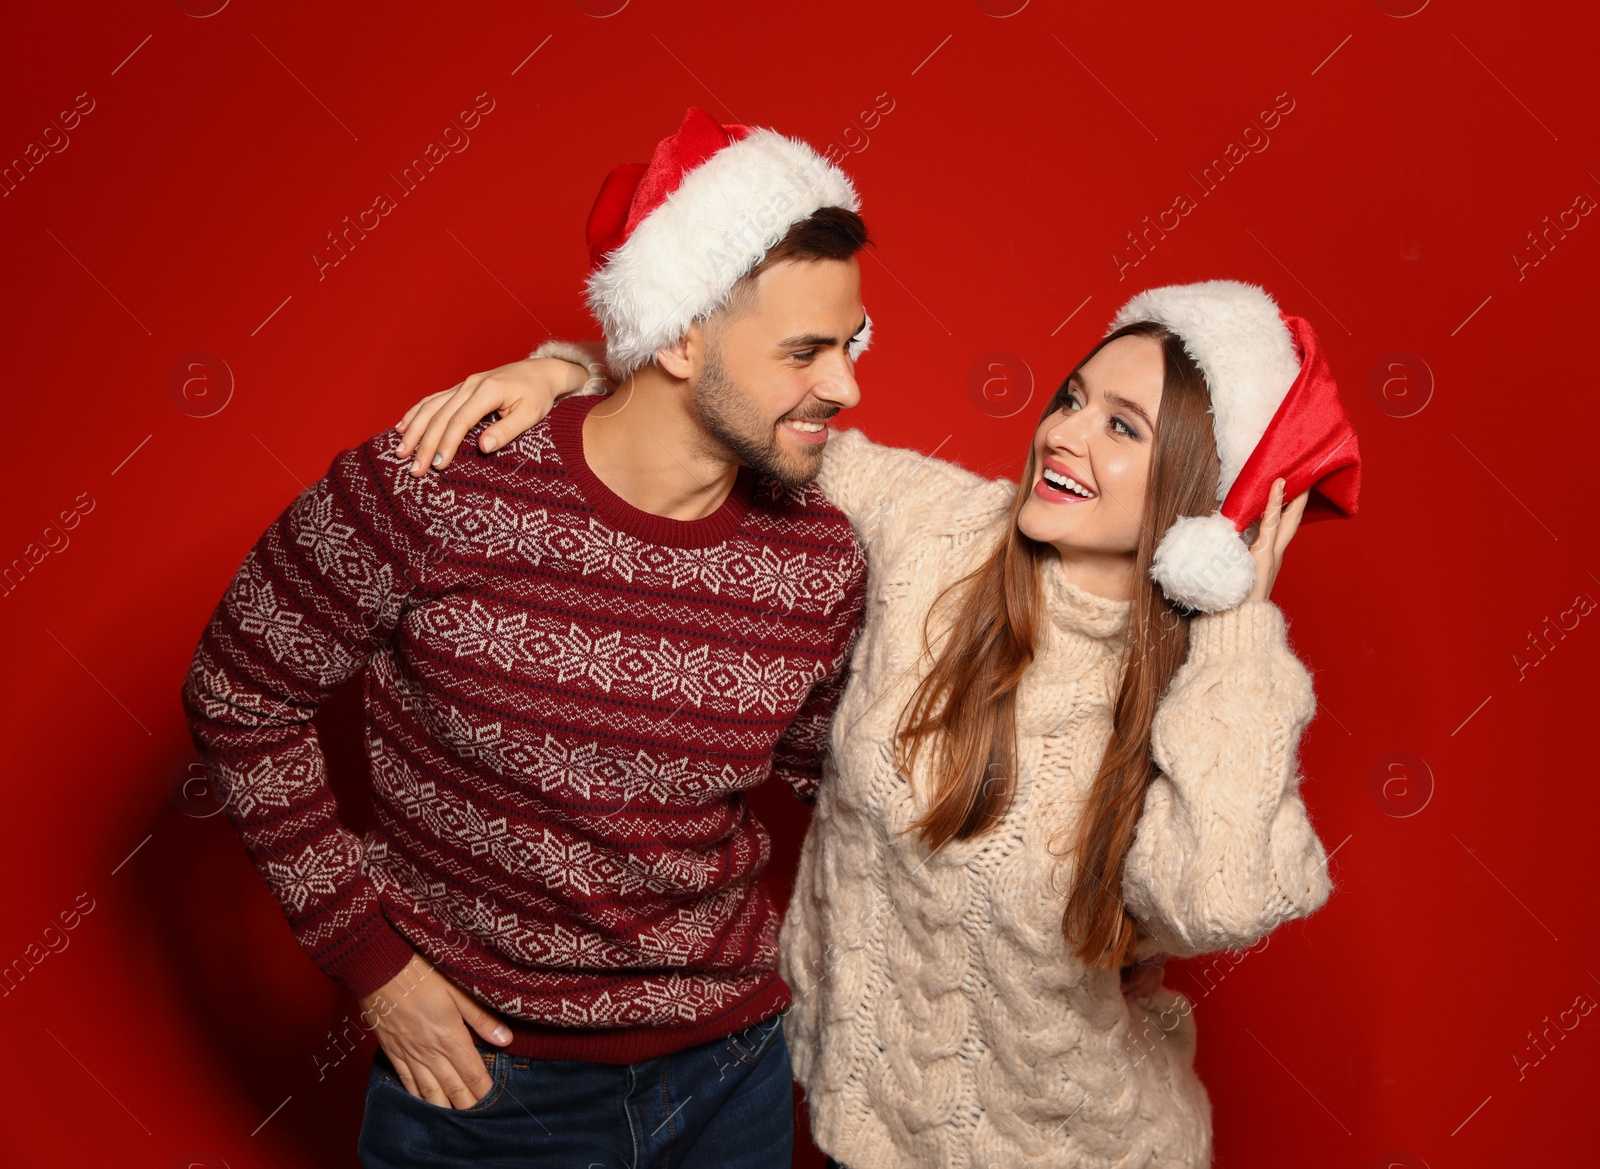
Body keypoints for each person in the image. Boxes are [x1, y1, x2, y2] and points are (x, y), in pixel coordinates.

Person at [395, 277, 1362, 1166]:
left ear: (1201, 496)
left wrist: (1235, 618)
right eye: (1072, 399)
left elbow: (1220, 900)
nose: (1066, 434)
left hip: (1084, 1147)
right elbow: (737, 407)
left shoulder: (1211, 691)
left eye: (1124, 427)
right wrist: (558, 371)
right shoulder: (937, 527)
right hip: (854, 1127)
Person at [180, 107, 881, 1168]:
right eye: (807, 351)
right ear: (682, 333)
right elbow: (240, 695)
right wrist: (371, 963)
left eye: (851, 343)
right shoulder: (433, 485)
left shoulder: (818, 553)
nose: (846, 384)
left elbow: (843, 774)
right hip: (488, 1095)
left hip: (733, 1072)